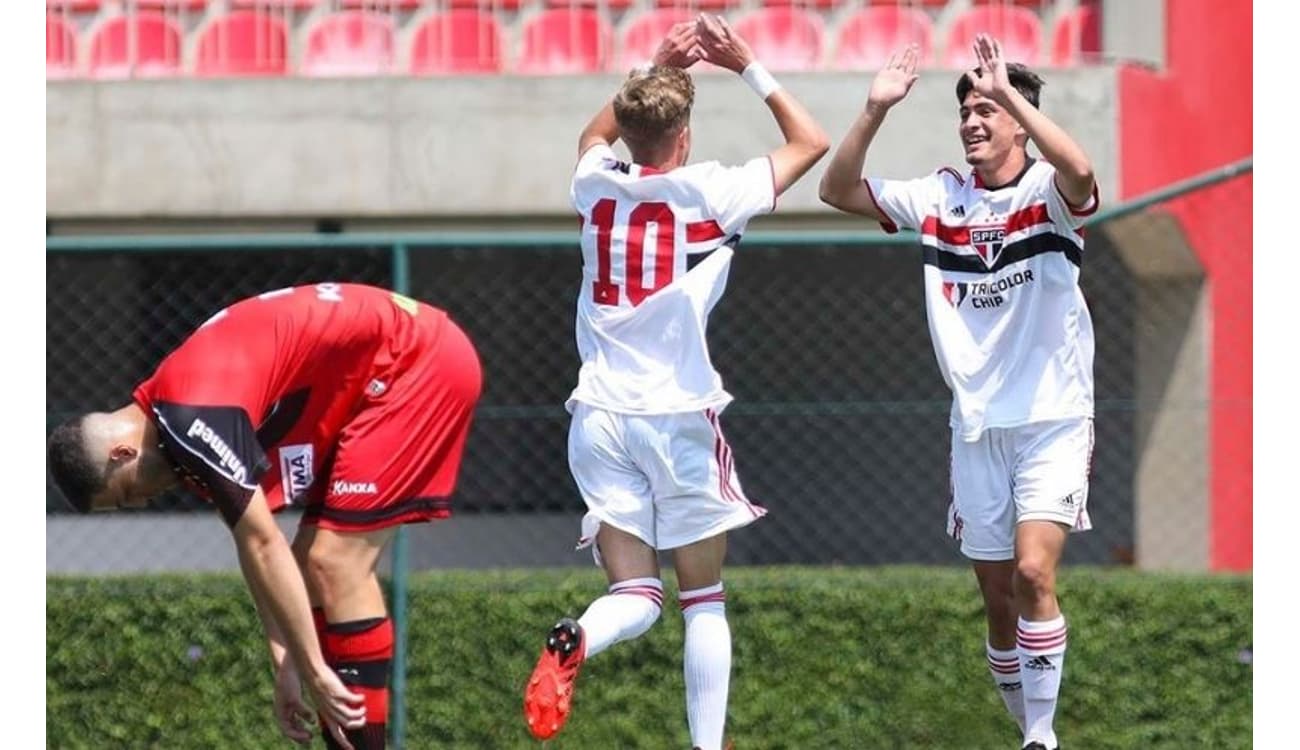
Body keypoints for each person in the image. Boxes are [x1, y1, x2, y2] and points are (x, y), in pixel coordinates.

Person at [521, 15, 828, 750]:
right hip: (677, 416)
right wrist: (747, 63)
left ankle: (578, 637)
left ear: (628, 133)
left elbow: (591, 138)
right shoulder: (711, 190)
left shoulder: (594, 183)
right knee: (703, 600)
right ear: (683, 137)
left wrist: (650, 64)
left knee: (634, 593)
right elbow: (810, 142)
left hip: (596, 413)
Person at [47, 282, 483, 750]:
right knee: (311, 561)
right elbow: (255, 550)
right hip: (383, 366)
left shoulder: (194, 417)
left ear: (121, 453)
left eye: (127, 493)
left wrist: (314, 669)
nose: (140, 503)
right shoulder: (178, 425)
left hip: (418, 359)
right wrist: (287, 663)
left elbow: (261, 542)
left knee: (333, 563)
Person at [818, 35, 1098, 750]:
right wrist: (875, 110)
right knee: (999, 598)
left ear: (1016, 117)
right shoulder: (940, 197)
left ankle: (1041, 735)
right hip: (974, 426)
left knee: (1036, 572)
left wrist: (1011, 94)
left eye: (987, 109)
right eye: (966, 111)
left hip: (1052, 418)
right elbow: (836, 189)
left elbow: (1081, 169)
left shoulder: (1048, 195)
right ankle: (1025, 725)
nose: (972, 121)